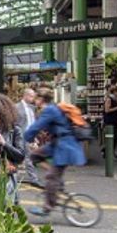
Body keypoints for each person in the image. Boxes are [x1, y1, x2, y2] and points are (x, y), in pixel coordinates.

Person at [24, 87, 86, 217]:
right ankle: (57, 180)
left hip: (64, 147)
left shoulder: (50, 110)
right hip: (57, 144)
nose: (34, 101)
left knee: (51, 177)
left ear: (41, 99)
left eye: (36, 98)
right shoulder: (52, 108)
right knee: (34, 155)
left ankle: (48, 207)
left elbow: (36, 127)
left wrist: (27, 137)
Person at [15, 88, 40, 185]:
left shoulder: (32, 108)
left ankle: (33, 179)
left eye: (33, 96)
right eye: (31, 96)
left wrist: (35, 136)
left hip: (31, 136)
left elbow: (33, 122)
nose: (33, 98)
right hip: (21, 135)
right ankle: (33, 179)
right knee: (24, 157)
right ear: (25, 96)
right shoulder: (16, 107)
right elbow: (14, 123)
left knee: (29, 157)